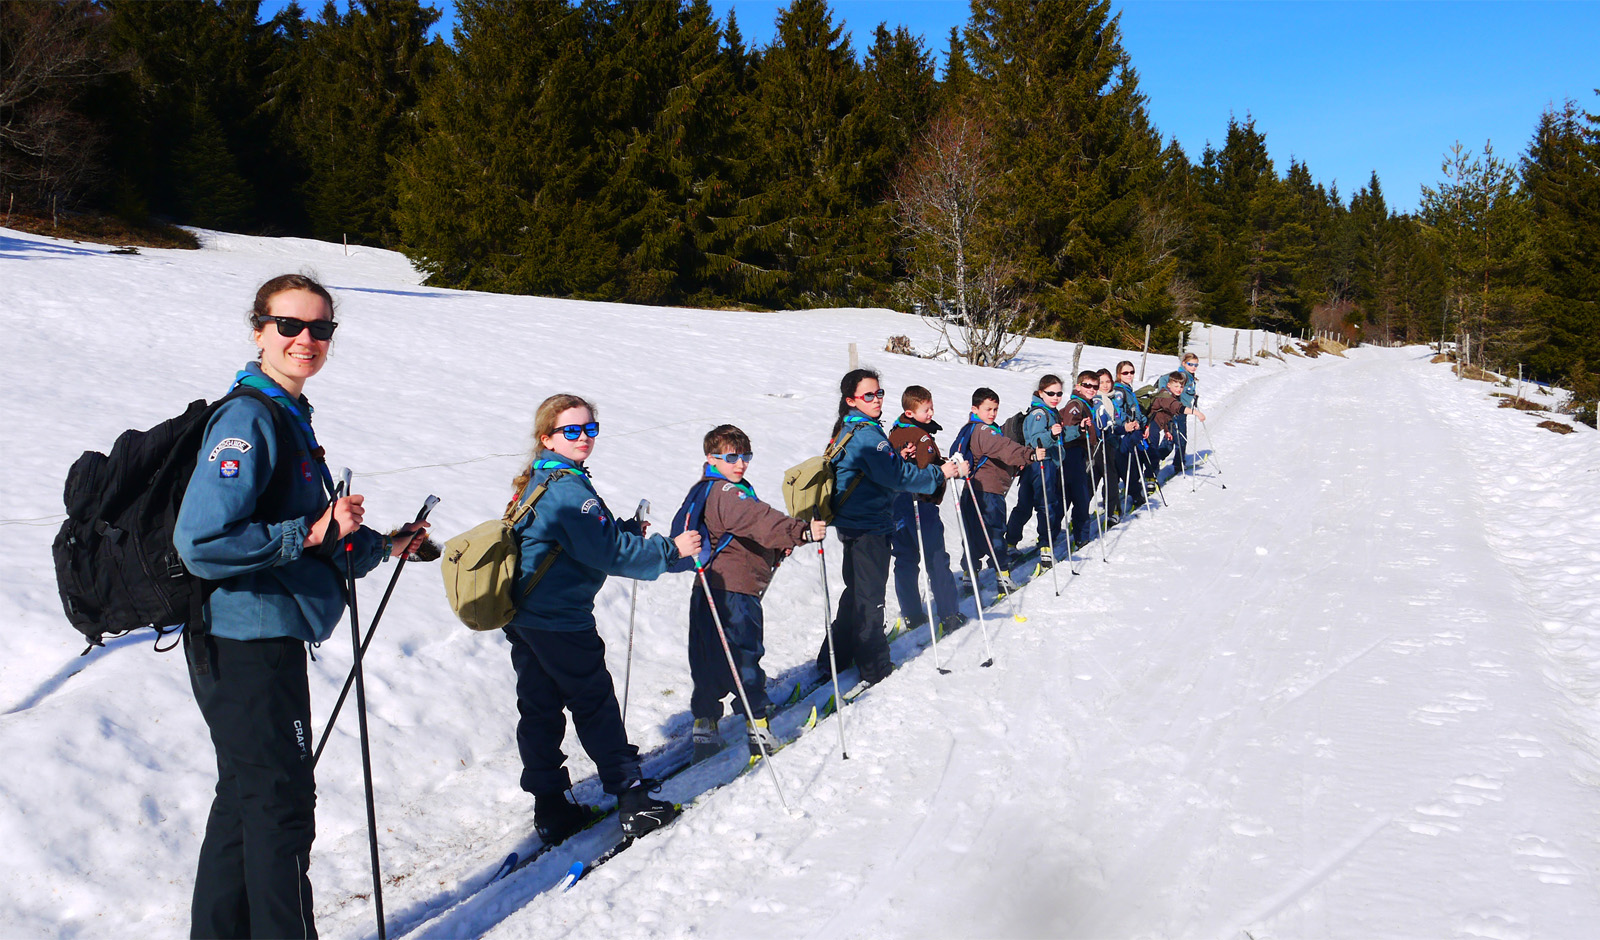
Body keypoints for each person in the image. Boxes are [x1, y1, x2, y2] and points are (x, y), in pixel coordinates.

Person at [174, 273, 429, 940]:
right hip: (245, 638)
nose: (305, 339)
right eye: (289, 325)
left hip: (259, 635)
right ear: (258, 331)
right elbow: (202, 541)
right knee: (282, 807)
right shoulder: (248, 419)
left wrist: (382, 545)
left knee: (247, 802)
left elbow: (312, 535)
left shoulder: (289, 417)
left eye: (320, 329)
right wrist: (311, 532)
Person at [505, 394, 701, 844]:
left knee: (539, 707)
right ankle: (632, 799)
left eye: (590, 429)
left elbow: (579, 541)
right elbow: (609, 553)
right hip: (558, 618)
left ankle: (550, 807)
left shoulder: (542, 478)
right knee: (594, 703)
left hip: (526, 615)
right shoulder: (568, 488)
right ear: (547, 437)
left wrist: (626, 532)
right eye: (571, 431)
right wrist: (672, 550)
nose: (584, 439)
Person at [683, 425, 826, 762]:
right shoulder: (728, 493)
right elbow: (758, 519)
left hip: (708, 587)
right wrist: (800, 531)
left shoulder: (705, 490)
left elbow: (744, 533)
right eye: (731, 457)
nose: (741, 464)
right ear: (711, 458)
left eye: (745, 456)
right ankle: (758, 728)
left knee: (708, 658)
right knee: (744, 656)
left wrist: (778, 549)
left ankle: (705, 726)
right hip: (734, 592)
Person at [817, 369, 963, 688]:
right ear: (851, 399)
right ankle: (875, 666)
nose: (876, 399)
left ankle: (834, 656)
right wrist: (940, 474)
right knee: (870, 598)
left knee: (857, 592)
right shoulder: (868, 434)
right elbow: (896, 477)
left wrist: (896, 457)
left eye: (879, 393)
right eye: (868, 395)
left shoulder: (850, 427)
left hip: (854, 522)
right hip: (868, 525)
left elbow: (876, 469)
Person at [887, 386, 967, 636]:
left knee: (905, 557)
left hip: (896, 504)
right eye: (925, 409)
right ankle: (949, 613)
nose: (931, 413)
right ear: (910, 412)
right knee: (935, 557)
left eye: (931, 407)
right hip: (919, 502)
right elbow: (925, 471)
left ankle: (911, 613)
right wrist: (949, 468)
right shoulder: (920, 438)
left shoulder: (894, 432)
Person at [952, 387, 1038, 593]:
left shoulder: (970, 429)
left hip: (972, 490)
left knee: (972, 533)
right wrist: (1029, 455)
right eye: (987, 409)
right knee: (995, 533)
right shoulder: (985, 431)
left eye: (995, 409)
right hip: (988, 493)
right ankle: (1003, 576)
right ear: (975, 408)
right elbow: (1003, 448)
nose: (992, 413)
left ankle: (969, 574)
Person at [1003, 375, 1067, 572]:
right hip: (1041, 465)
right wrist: (1052, 435)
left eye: (1059, 393)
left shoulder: (1049, 411)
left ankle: (1010, 543)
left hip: (1034, 465)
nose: (1055, 397)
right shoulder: (1039, 414)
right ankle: (1045, 546)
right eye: (1051, 393)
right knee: (1046, 505)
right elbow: (1036, 440)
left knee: (1025, 506)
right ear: (1041, 393)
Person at [1057, 372, 1099, 546]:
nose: (1091, 389)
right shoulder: (1076, 404)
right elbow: (1069, 428)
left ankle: (1050, 533)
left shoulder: (1086, 404)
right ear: (1078, 386)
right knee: (1080, 495)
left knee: (1066, 495)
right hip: (1072, 453)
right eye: (1087, 385)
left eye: (1094, 387)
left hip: (1077, 454)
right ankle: (1081, 535)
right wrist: (1081, 429)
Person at [1109, 360, 1148, 512]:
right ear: (1119, 374)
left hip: (1133, 429)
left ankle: (1131, 491)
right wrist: (1130, 422)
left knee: (1126, 463)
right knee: (1125, 464)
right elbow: (1118, 411)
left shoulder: (1127, 388)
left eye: (1131, 372)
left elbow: (1134, 409)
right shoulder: (1119, 391)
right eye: (1125, 373)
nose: (1129, 375)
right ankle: (1134, 493)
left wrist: (1142, 422)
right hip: (1124, 433)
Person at [1092, 369, 1122, 525]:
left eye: (1107, 382)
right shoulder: (1097, 400)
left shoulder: (1112, 399)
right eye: (1101, 382)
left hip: (1110, 442)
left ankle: (1112, 508)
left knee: (1102, 477)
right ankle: (1112, 511)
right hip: (1101, 444)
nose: (1105, 385)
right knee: (1109, 477)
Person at [1175, 353, 1200, 471]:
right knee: (1180, 436)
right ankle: (1178, 462)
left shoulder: (1189, 376)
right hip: (1178, 410)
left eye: (1196, 365)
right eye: (1190, 364)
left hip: (1183, 409)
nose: (1194, 367)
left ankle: (1178, 460)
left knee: (1177, 436)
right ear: (1184, 363)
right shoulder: (1182, 376)